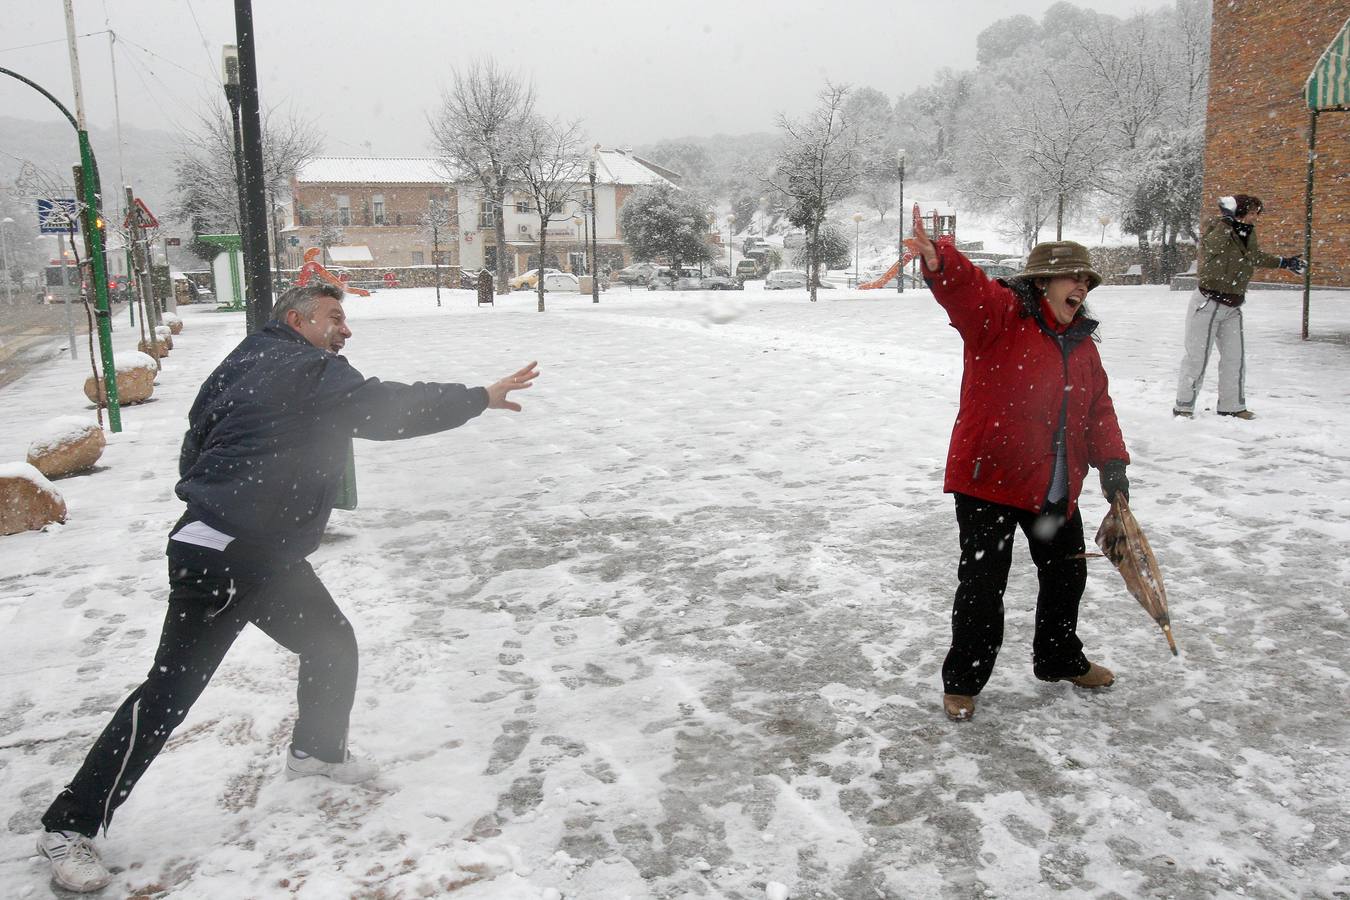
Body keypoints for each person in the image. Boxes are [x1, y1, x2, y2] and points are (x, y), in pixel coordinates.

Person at [36, 283, 539, 893]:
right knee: (171, 691)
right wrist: (479, 396)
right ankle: (68, 826)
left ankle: (317, 753)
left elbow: (196, 441)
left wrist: (221, 501)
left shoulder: (249, 358)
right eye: (334, 318)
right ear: (298, 321)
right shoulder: (304, 367)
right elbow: (386, 409)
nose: (345, 330)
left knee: (331, 643)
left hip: (258, 549)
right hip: (224, 555)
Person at [910, 220, 1131, 723]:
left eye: (1086, 280)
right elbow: (969, 292)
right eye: (1070, 276)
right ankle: (964, 679)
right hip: (990, 477)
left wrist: (1113, 463)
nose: (1081, 286)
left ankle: (1058, 657)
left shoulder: (1083, 345)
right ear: (1040, 284)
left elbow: (1098, 408)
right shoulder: (1001, 319)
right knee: (984, 584)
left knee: (1066, 575)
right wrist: (942, 260)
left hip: (1054, 484)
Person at [1173, 194, 1306, 420]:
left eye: (1257, 213)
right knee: (1197, 357)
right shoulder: (1217, 227)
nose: (1255, 217)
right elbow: (1211, 246)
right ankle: (1183, 407)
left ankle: (1231, 406)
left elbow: (1254, 256)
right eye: (1252, 212)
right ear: (1239, 211)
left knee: (1234, 358)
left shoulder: (1248, 232)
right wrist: (1228, 221)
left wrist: (1284, 262)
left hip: (1233, 305)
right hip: (1207, 303)